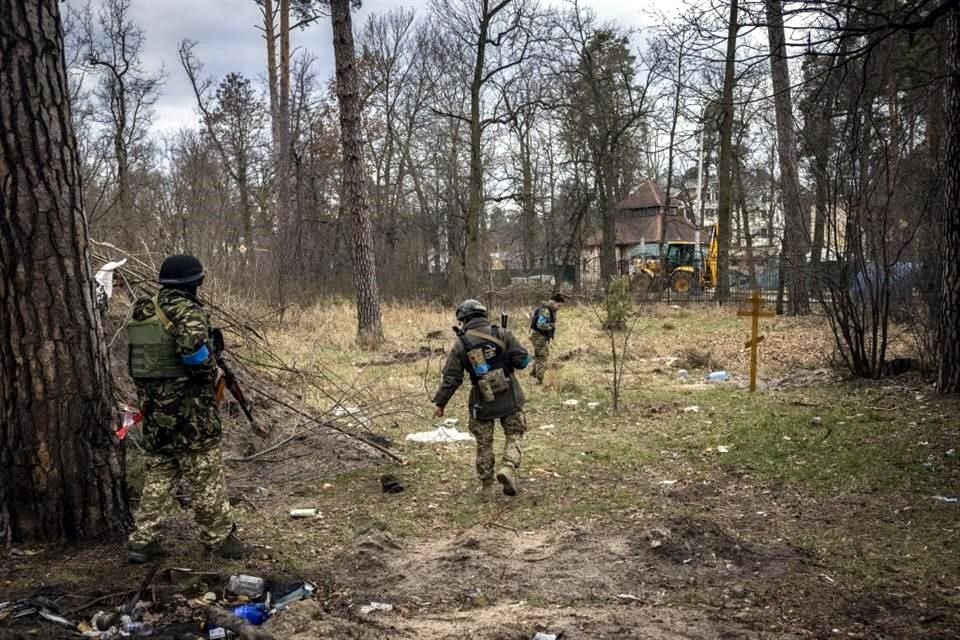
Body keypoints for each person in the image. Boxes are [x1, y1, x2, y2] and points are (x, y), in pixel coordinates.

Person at [125, 254, 248, 563]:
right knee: (204, 475)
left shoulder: (143, 309)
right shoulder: (188, 312)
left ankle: (142, 540)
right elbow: (196, 358)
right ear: (194, 282)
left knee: (161, 473)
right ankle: (219, 540)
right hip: (190, 413)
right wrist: (210, 366)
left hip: (155, 412)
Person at [432, 299, 531, 499]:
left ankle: (487, 487)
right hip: (510, 396)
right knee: (514, 434)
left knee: (484, 443)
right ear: (483, 315)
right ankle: (508, 467)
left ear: (464, 320)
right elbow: (522, 362)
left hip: (482, 401)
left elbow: (452, 379)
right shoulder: (502, 333)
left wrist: (440, 403)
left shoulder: (461, 344)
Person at [529, 292, 566, 384]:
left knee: (539, 356)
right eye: (559, 305)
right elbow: (540, 325)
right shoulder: (546, 311)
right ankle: (538, 380)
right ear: (553, 302)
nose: (559, 308)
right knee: (542, 357)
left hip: (538, 335)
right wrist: (552, 326)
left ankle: (533, 374)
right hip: (538, 336)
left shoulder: (548, 309)